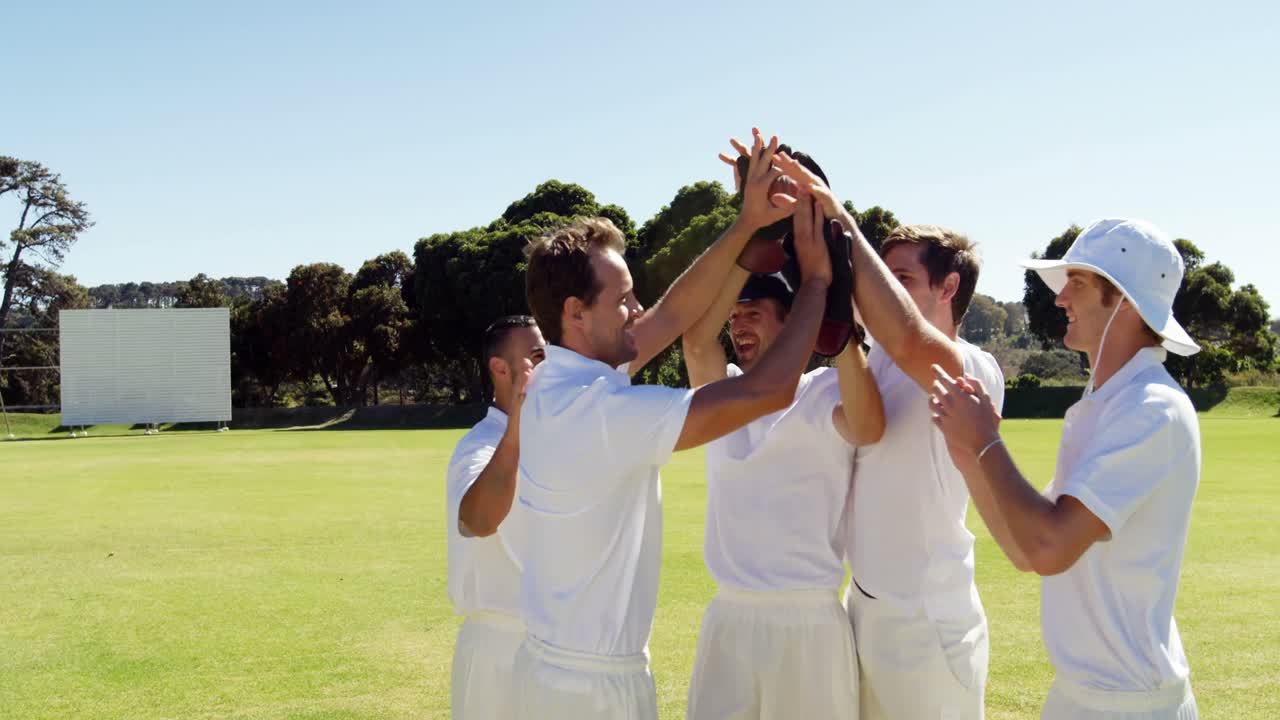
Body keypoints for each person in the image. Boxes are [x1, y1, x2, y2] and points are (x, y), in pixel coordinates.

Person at [512, 129, 834, 719]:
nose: (637, 310)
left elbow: (674, 314)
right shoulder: (600, 413)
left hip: (549, 672)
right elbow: (770, 388)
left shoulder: (561, 382)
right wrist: (816, 282)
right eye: (624, 300)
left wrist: (744, 228)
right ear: (575, 313)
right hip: (590, 691)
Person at [929, 218, 1201, 719]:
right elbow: (1025, 551)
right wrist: (970, 455)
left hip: (1130, 706)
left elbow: (1047, 546)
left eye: (1077, 282)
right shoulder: (1108, 405)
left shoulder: (1152, 409)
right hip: (1082, 697)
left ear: (1122, 298)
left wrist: (986, 440)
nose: (1059, 298)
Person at [775, 152, 1005, 719]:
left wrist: (837, 213)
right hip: (863, 609)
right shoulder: (870, 365)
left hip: (929, 620)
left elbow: (907, 339)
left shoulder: (970, 368)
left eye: (901, 280)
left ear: (949, 286)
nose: (886, 293)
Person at [679, 157, 884, 720]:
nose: (738, 326)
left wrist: (833, 308)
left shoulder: (827, 391)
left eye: (754, 313)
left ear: (792, 316)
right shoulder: (724, 395)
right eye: (735, 315)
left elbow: (869, 427)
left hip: (808, 623)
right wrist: (753, 239)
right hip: (730, 617)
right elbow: (697, 342)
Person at [444, 315, 545, 720]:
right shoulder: (479, 446)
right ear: (500, 369)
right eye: (537, 357)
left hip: (559, 648)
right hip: (498, 653)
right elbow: (478, 520)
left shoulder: (557, 441)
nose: (548, 368)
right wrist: (519, 424)